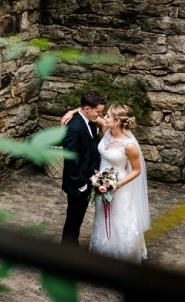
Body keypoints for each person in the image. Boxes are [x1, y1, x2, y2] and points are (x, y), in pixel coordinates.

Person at [62, 103, 151, 263]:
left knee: (120, 219)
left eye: (108, 115)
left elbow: (136, 170)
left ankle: (123, 256)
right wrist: (72, 110)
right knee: (101, 217)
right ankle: (102, 252)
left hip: (119, 185)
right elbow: (87, 110)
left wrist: (116, 184)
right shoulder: (106, 128)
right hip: (100, 184)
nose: (104, 117)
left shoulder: (130, 145)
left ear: (117, 121)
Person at [60, 91, 107, 246]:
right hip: (78, 184)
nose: (100, 115)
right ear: (87, 108)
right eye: (98, 111)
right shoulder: (74, 128)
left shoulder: (87, 121)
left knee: (77, 218)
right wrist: (82, 184)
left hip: (87, 179)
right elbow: (70, 159)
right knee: (73, 218)